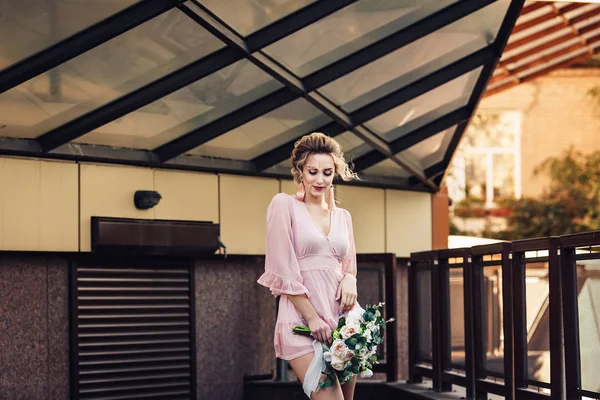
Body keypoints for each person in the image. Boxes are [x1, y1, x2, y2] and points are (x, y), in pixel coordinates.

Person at [257, 132, 361, 400]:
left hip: (343, 320)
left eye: (327, 173)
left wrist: (350, 279)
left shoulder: (343, 217)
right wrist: (313, 318)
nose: (320, 179)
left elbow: (348, 266)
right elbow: (281, 270)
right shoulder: (284, 206)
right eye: (313, 171)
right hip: (302, 321)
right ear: (300, 171)